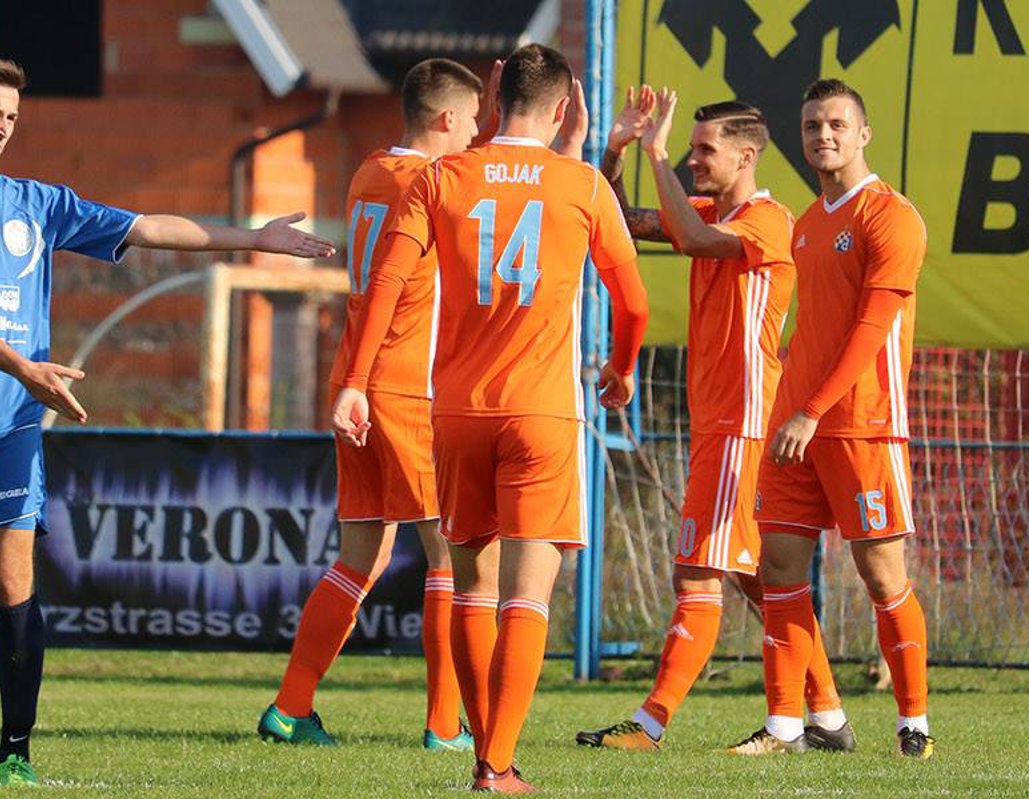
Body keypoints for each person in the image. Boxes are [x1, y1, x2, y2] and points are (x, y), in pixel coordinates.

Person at [0, 58, 335, 787]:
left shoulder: (34, 204)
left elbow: (148, 226)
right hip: (26, 388)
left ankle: (14, 751)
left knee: (14, 584)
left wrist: (253, 238)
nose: (3, 127)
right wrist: (22, 366)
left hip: (14, 425)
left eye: (11, 118)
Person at [332, 44, 649, 793]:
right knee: (528, 594)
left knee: (471, 586)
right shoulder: (582, 184)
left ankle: (483, 752)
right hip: (540, 411)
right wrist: (623, 366)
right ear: (564, 109)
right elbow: (633, 302)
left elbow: (386, 281)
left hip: (455, 412)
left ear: (497, 94)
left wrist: (355, 382)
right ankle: (495, 764)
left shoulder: (443, 175)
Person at [576, 86, 854, 755]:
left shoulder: (767, 221)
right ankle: (828, 716)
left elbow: (695, 239)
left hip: (744, 423)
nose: (694, 161)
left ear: (746, 156)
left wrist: (656, 154)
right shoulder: (707, 211)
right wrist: (615, 152)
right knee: (764, 580)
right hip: (719, 423)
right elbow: (620, 221)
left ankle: (650, 723)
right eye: (691, 150)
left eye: (705, 150)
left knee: (697, 573)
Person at [258, 57, 490, 751]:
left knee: (361, 554)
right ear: (445, 118)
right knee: (448, 554)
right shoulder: (429, 182)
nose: (477, 134)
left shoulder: (369, 170)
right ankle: (444, 722)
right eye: (472, 120)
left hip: (355, 379)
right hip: (405, 381)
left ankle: (291, 706)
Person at [747, 78, 933, 759]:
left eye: (835, 125)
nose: (822, 135)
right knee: (778, 566)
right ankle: (786, 727)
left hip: (862, 425)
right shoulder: (806, 223)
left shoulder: (892, 216)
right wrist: (790, 408)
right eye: (811, 126)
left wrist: (812, 410)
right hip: (796, 425)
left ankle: (913, 722)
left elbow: (872, 328)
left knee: (882, 576)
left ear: (863, 135)